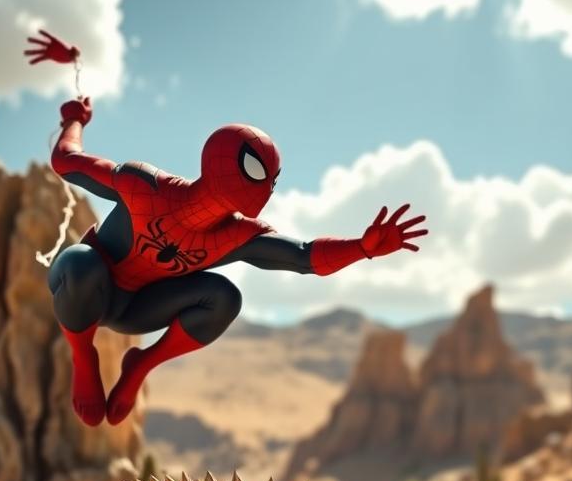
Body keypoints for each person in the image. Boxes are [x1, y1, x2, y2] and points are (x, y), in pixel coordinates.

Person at [27, 31, 428, 426]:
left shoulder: (239, 236)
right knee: (80, 262)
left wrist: (363, 247)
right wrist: (74, 120)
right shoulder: (143, 187)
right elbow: (66, 161)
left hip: (139, 310)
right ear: (217, 160)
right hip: (88, 291)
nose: (265, 186)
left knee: (224, 297)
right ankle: (84, 354)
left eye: (272, 178)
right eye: (255, 169)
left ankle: (140, 365)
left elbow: (304, 257)